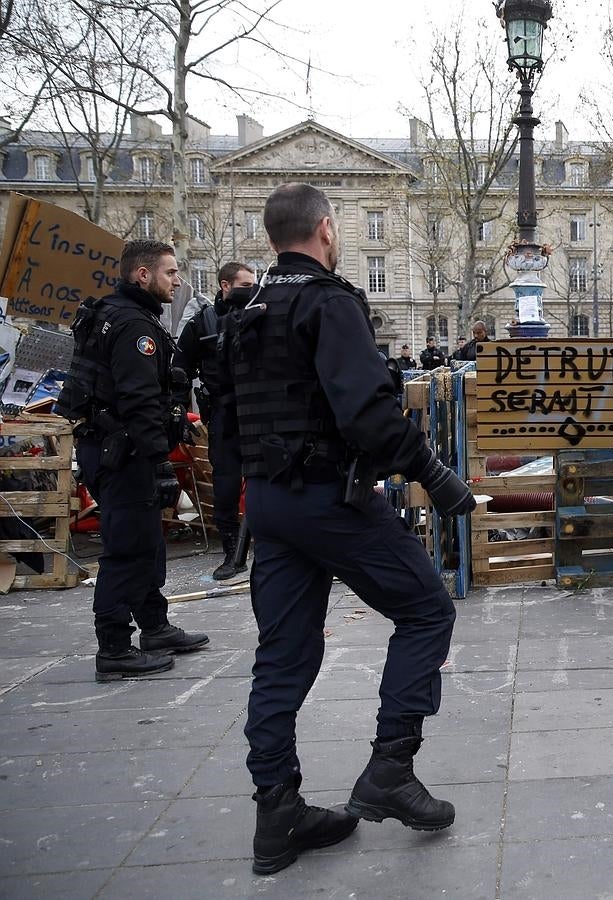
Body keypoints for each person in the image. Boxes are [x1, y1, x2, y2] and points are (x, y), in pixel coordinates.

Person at [225, 183, 476, 875]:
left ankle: (277, 813)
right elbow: (368, 414)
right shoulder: (329, 301)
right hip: (327, 496)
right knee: (425, 610)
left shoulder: (243, 309)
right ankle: (390, 769)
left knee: (282, 656)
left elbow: (227, 417)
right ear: (327, 231)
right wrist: (435, 473)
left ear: (272, 235)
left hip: (269, 503)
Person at [55, 240, 210, 682]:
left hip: (117, 447)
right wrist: (159, 459)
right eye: (170, 272)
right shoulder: (131, 326)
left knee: (147, 543)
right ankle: (115, 648)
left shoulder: (118, 314)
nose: (177, 280)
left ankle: (155, 627)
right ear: (142, 275)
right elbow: (140, 400)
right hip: (124, 452)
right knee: (127, 549)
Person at [172, 262, 256, 580]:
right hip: (224, 414)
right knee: (226, 486)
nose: (252, 290)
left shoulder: (259, 316)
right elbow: (180, 369)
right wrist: (178, 412)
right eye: (245, 284)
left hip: (258, 414)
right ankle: (233, 553)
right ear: (225, 285)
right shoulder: (203, 323)